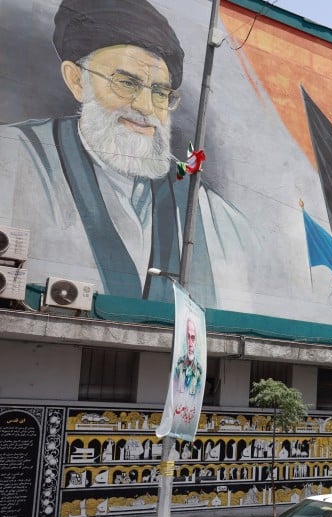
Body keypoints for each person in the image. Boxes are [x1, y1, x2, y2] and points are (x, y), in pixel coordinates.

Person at [0, 0, 255, 309]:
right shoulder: (13, 157)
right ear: (76, 79)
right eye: (126, 83)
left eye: (160, 93)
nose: (146, 107)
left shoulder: (213, 214)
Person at [173, 315, 202, 395]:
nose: (190, 344)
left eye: (193, 338)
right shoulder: (178, 365)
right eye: (188, 337)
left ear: (196, 341)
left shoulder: (199, 370)